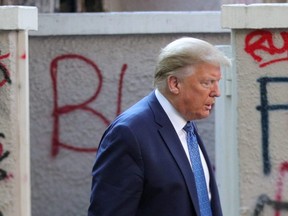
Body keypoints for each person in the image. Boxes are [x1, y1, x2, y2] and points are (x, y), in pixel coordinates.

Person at [88, 37, 231, 216]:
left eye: (217, 82)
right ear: (174, 84)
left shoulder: (185, 124)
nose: (216, 92)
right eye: (207, 82)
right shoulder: (128, 133)